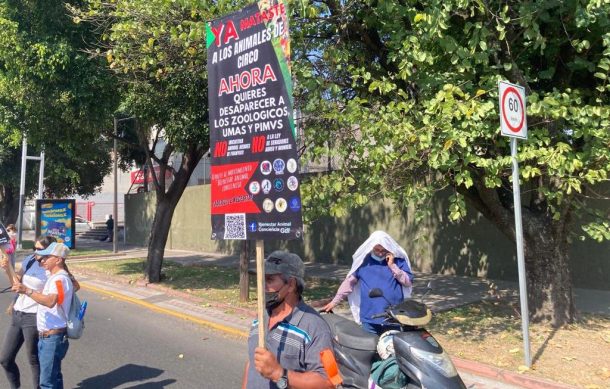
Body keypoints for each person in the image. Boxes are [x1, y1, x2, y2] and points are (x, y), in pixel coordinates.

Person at [242, 251, 337, 389]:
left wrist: (278, 373)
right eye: (261, 279)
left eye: (269, 280)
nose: (262, 286)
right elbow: (252, 362)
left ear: (291, 284)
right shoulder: (261, 317)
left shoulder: (315, 327)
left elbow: (329, 382)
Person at [323, 231, 414, 335]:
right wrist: (334, 302)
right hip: (370, 317)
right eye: (377, 249)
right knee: (369, 348)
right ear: (371, 247)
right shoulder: (363, 262)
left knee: (393, 349)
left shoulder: (398, 262)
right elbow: (349, 283)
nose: (380, 253)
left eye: (383, 250)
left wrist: (392, 266)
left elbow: (408, 282)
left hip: (394, 317)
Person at [12, 242, 75, 389]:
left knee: (47, 382)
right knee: (54, 377)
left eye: (46, 257)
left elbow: (51, 301)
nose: (42, 260)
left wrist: (27, 291)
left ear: (58, 260)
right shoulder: (53, 276)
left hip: (52, 337)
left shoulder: (59, 279)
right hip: (47, 336)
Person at [0, 236, 55, 389]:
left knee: (33, 359)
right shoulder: (30, 260)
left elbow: (54, 295)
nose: (36, 252)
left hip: (34, 316)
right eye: (35, 248)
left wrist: (29, 291)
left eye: (40, 249)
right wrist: (7, 270)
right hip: (18, 313)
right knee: (5, 358)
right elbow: (15, 284)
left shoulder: (51, 268)